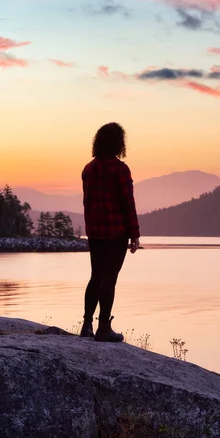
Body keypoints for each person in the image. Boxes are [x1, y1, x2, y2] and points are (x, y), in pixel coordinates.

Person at [80, 122, 140, 342]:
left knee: (96, 276)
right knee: (109, 279)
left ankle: (87, 324)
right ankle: (103, 327)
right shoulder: (120, 169)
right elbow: (127, 204)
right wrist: (135, 233)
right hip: (116, 232)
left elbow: (87, 202)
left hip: (95, 232)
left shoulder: (89, 168)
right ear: (118, 144)